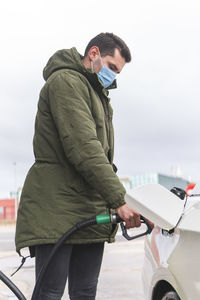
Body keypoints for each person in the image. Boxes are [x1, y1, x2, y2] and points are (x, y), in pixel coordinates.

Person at [15, 32, 141, 300]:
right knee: (49, 293)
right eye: (111, 67)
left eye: (118, 72)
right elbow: (85, 149)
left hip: (89, 208)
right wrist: (119, 199)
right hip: (57, 209)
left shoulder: (97, 93)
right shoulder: (66, 82)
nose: (113, 76)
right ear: (93, 54)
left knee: (85, 292)